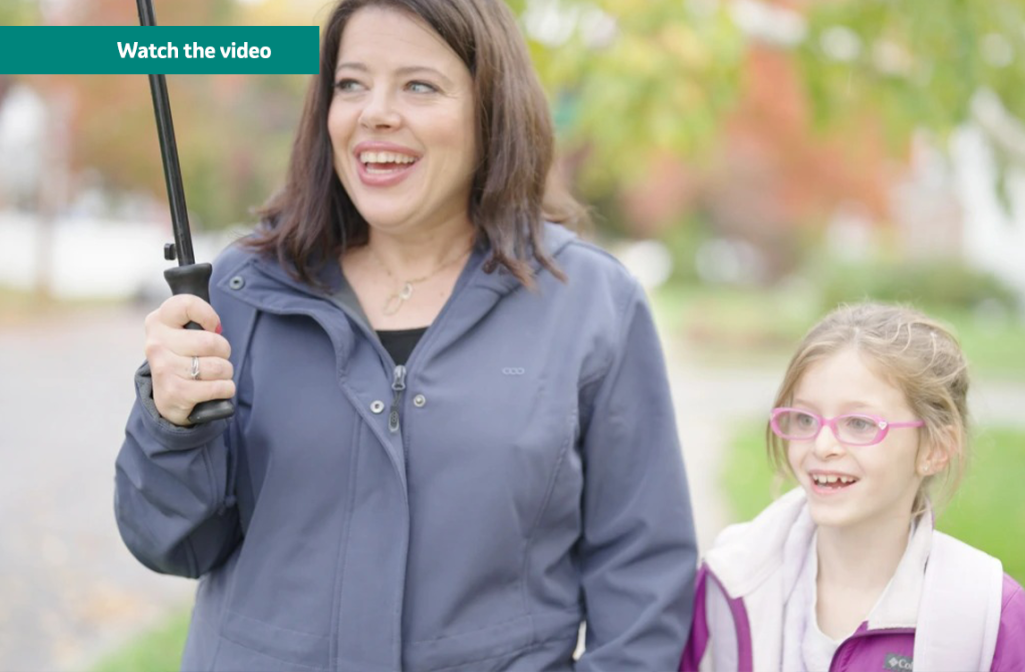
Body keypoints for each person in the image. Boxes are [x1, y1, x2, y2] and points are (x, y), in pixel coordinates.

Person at [114, 1, 697, 670]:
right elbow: (169, 541)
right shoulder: (241, 292)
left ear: (490, 109)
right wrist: (171, 425)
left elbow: (645, 586)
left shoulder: (592, 306)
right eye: (351, 84)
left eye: (418, 85)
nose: (375, 113)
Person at [680, 303, 1025, 672]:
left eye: (859, 423)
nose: (822, 445)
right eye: (805, 418)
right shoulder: (728, 581)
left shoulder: (986, 614)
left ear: (936, 448)